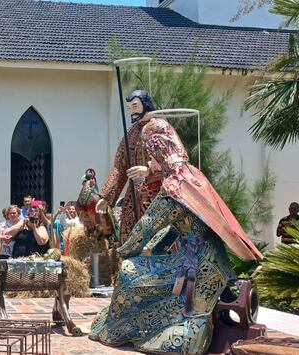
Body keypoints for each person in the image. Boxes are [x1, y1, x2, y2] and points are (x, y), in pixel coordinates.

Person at [89, 112, 263, 354]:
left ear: (158, 152)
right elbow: (179, 228)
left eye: (152, 156)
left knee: (129, 271)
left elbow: (147, 226)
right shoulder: (195, 177)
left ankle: (120, 328)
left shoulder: (174, 187)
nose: (151, 163)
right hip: (216, 263)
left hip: (195, 268)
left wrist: (125, 250)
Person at [96, 90, 170, 243]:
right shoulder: (130, 133)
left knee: (158, 237)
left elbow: (175, 157)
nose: (132, 111)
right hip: (134, 196)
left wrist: (150, 170)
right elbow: (119, 167)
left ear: (145, 104)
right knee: (130, 237)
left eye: (135, 106)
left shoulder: (161, 126)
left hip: (158, 192)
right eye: (129, 108)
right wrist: (107, 196)